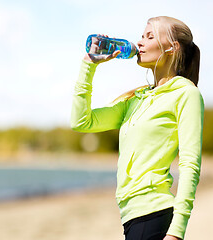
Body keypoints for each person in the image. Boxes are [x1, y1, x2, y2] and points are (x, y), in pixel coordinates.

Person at [71, 16, 204, 240]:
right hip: (131, 217)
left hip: (154, 214)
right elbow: (81, 121)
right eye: (141, 36)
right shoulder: (136, 99)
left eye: (150, 36)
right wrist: (89, 65)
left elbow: (190, 164)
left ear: (173, 47)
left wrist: (176, 232)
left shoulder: (186, 94)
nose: (140, 43)